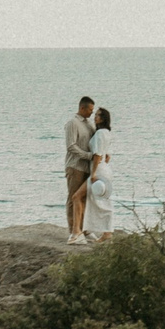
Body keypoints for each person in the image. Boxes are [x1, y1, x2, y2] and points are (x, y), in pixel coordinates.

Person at [81, 108, 118, 241]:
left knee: (98, 201)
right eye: (95, 115)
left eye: (98, 115)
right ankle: (91, 229)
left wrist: (93, 172)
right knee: (99, 200)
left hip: (99, 170)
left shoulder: (99, 134)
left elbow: (97, 155)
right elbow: (106, 154)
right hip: (105, 168)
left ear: (103, 118)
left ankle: (105, 231)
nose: (95, 117)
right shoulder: (106, 133)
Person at [65, 96, 95, 242]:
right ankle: (73, 231)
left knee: (85, 199)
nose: (92, 113)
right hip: (75, 166)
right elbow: (71, 146)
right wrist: (88, 156)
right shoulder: (73, 123)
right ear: (82, 108)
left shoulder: (89, 124)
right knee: (73, 198)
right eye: (90, 110)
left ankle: (83, 228)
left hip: (88, 168)